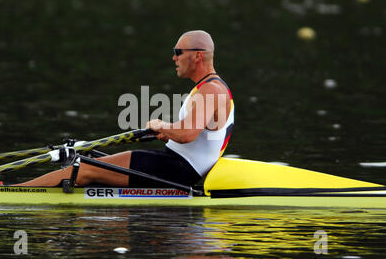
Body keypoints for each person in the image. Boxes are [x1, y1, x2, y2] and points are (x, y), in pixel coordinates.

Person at [16, 30, 234, 188]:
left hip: (177, 169)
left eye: (178, 52)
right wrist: (166, 134)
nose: (174, 58)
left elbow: (187, 134)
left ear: (197, 55)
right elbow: (195, 137)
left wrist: (162, 125)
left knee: (83, 168)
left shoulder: (211, 91)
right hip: (174, 163)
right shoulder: (209, 89)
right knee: (87, 161)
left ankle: (12, 192)